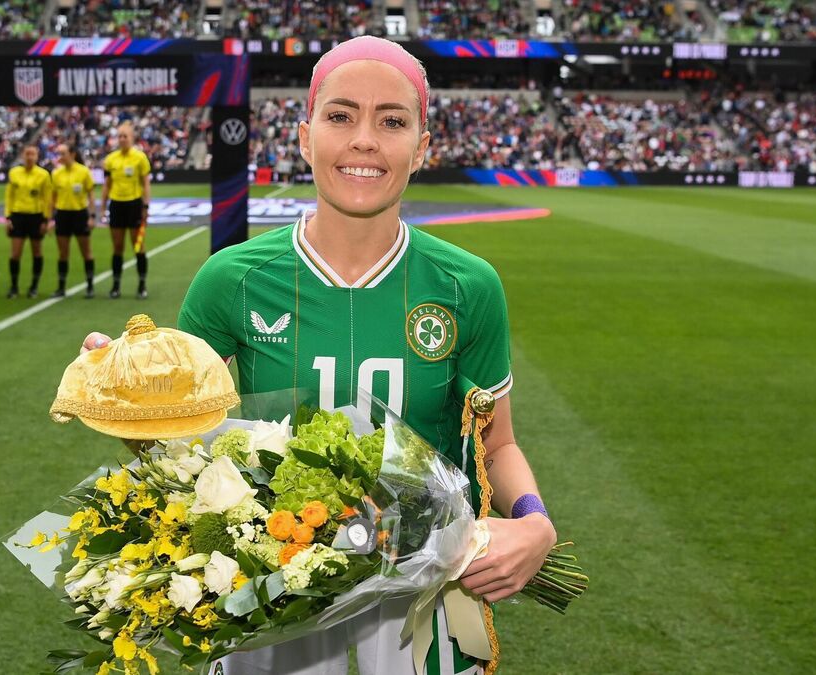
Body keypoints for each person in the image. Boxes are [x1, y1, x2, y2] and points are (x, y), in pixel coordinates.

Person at [82, 36, 557, 675]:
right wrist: (127, 397)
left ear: (421, 147)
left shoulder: (467, 286)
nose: (364, 140)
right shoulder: (232, 279)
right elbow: (180, 444)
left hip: (426, 594)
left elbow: (496, 445)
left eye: (392, 122)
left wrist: (534, 522)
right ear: (305, 138)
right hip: (270, 592)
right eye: (340, 116)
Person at [100, 121, 151, 299]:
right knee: (117, 247)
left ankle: (142, 285)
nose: (122, 139)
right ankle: (116, 286)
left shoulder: (140, 158)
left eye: (125, 136)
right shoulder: (110, 159)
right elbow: (107, 185)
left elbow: (146, 183)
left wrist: (146, 206)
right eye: (120, 136)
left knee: (138, 246)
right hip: (116, 205)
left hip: (134, 205)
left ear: (132, 138)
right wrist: (103, 207)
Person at [4, 145, 53, 299]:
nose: (30, 157)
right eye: (27, 154)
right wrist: (8, 217)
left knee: (37, 251)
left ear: (37, 156)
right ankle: (14, 286)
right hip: (17, 216)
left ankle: (34, 286)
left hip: (36, 217)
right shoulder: (14, 173)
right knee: (15, 253)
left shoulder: (43, 175)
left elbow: (47, 199)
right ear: (22, 155)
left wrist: (46, 219)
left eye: (33, 154)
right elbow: (9, 196)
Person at [50, 143, 97, 298]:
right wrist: (50, 218)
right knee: (63, 253)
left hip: (80, 215)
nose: (60, 157)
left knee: (86, 252)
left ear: (72, 154)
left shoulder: (83, 171)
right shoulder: (56, 173)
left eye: (63, 153)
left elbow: (91, 195)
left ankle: (90, 287)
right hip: (62, 215)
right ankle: (61, 287)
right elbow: (53, 197)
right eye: (58, 154)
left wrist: (92, 216)